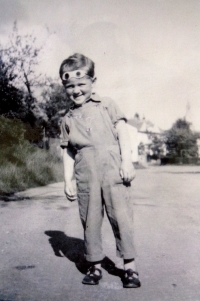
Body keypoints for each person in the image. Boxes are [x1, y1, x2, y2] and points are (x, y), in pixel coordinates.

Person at [59, 53, 141, 288]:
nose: (76, 90)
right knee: (90, 220)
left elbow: (122, 133)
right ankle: (94, 266)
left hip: (114, 171)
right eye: (70, 86)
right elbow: (67, 151)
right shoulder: (67, 118)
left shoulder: (107, 105)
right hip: (86, 175)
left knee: (122, 218)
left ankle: (130, 268)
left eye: (81, 84)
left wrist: (127, 162)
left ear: (93, 81)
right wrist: (68, 180)